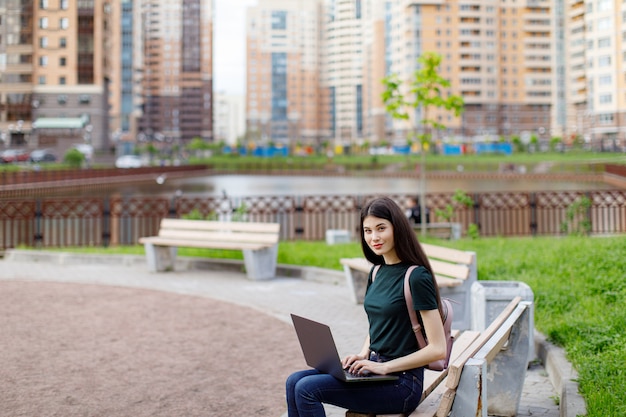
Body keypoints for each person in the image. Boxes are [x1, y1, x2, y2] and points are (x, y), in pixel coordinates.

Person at [286, 196, 447, 416]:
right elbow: (378, 324)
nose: (374, 237)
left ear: (397, 228)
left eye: (381, 228)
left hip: (402, 384)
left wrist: (385, 367)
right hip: (375, 370)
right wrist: (363, 354)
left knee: (307, 389)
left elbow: (438, 349)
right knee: (293, 381)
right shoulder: (377, 272)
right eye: (368, 230)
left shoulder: (416, 277)